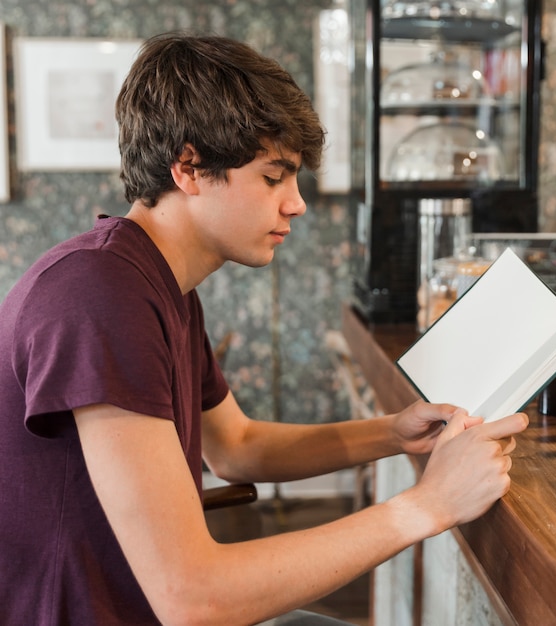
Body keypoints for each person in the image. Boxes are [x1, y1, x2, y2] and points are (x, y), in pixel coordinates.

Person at [0, 32, 528, 626]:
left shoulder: (155, 285)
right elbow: (192, 599)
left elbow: (237, 447)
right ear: (189, 167)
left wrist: (394, 434)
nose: (296, 203)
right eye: (274, 177)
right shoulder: (100, 295)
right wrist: (426, 507)